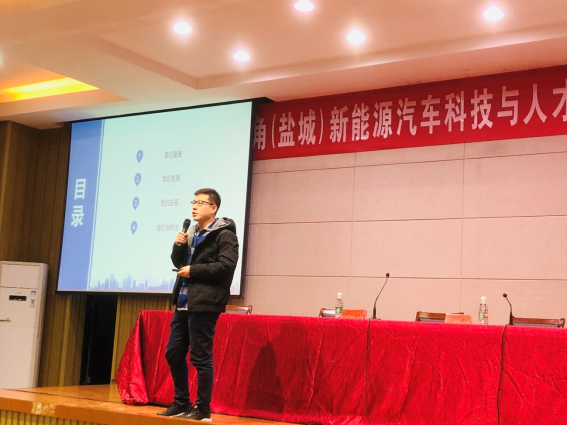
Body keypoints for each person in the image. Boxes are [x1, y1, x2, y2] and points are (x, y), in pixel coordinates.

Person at [157, 188, 239, 421]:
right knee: (173, 353)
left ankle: (203, 409)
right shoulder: (192, 232)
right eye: (193, 202)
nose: (194, 206)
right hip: (183, 301)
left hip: (205, 303)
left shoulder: (225, 235)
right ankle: (181, 402)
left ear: (213, 208)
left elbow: (226, 267)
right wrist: (178, 246)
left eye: (200, 202)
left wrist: (194, 270)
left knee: (200, 357)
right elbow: (179, 263)